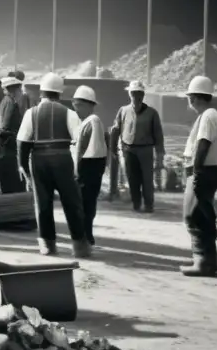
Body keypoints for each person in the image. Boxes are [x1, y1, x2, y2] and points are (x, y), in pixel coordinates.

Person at [17, 73, 89, 258]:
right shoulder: (69, 113)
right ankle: (79, 246)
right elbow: (80, 141)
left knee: (43, 204)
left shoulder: (30, 113)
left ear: (41, 92)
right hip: (62, 159)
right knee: (72, 203)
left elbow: (23, 142)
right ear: (60, 93)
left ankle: (48, 245)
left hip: (39, 160)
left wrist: (23, 168)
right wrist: (79, 167)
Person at [180, 76, 217, 277]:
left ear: (195, 98)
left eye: (190, 97)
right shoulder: (210, 115)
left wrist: (196, 172)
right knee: (202, 214)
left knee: (196, 215)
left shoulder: (208, 116)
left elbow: (202, 146)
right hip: (209, 170)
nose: (189, 101)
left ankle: (203, 262)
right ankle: (206, 260)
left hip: (205, 170)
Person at [110, 80, 165, 212]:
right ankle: (136, 204)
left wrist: (159, 156)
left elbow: (158, 135)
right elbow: (116, 129)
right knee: (132, 178)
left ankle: (148, 205)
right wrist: (113, 149)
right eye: (133, 93)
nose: (136, 96)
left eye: (139, 93)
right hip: (128, 149)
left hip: (145, 150)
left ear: (143, 95)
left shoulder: (152, 113)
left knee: (147, 179)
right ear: (129, 94)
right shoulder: (123, 111)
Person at [71, 85, 108, 246]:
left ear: (89, 105)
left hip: (88, 169)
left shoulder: (92, 122)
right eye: (75, 105)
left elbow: (89, 150)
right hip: (89, 169)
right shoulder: (86, 122)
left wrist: (79, 172)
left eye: (79, 106)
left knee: (86, 205)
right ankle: (86, 234)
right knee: (85, 205)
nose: (76, 109)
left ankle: (86, 235)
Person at [0, 75, 26, 193]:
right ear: (13, 89)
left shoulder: (6, 101)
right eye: (19, 89)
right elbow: (4, 127)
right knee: (12, 180)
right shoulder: (10, 102)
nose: (21, 92)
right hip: (8, 145)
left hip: (6, 144)